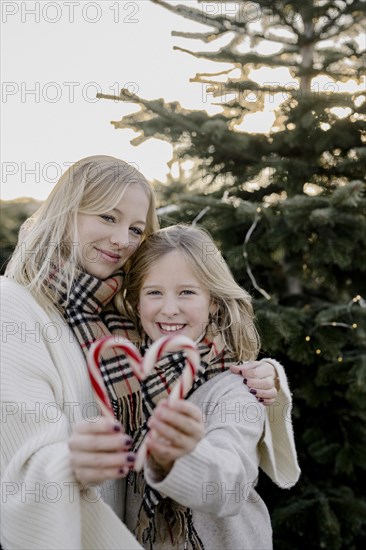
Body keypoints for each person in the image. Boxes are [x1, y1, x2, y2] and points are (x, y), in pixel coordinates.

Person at [1, 157, 278, 550]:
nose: (121, 239)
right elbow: (19, 454)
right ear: (66, 213)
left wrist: (267, 376)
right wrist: (70, 462)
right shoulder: (18, 306)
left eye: (135, 228)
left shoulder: (117, 315)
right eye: (107, 217)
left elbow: (229, 469)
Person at [71, 224, 300, 550]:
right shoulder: (124, 383)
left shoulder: (238, 387)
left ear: (214, 303)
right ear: (136, 303)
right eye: (154, 293)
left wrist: (177, 457)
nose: (169, 308)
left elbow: (230, 486)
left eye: (187, 292)